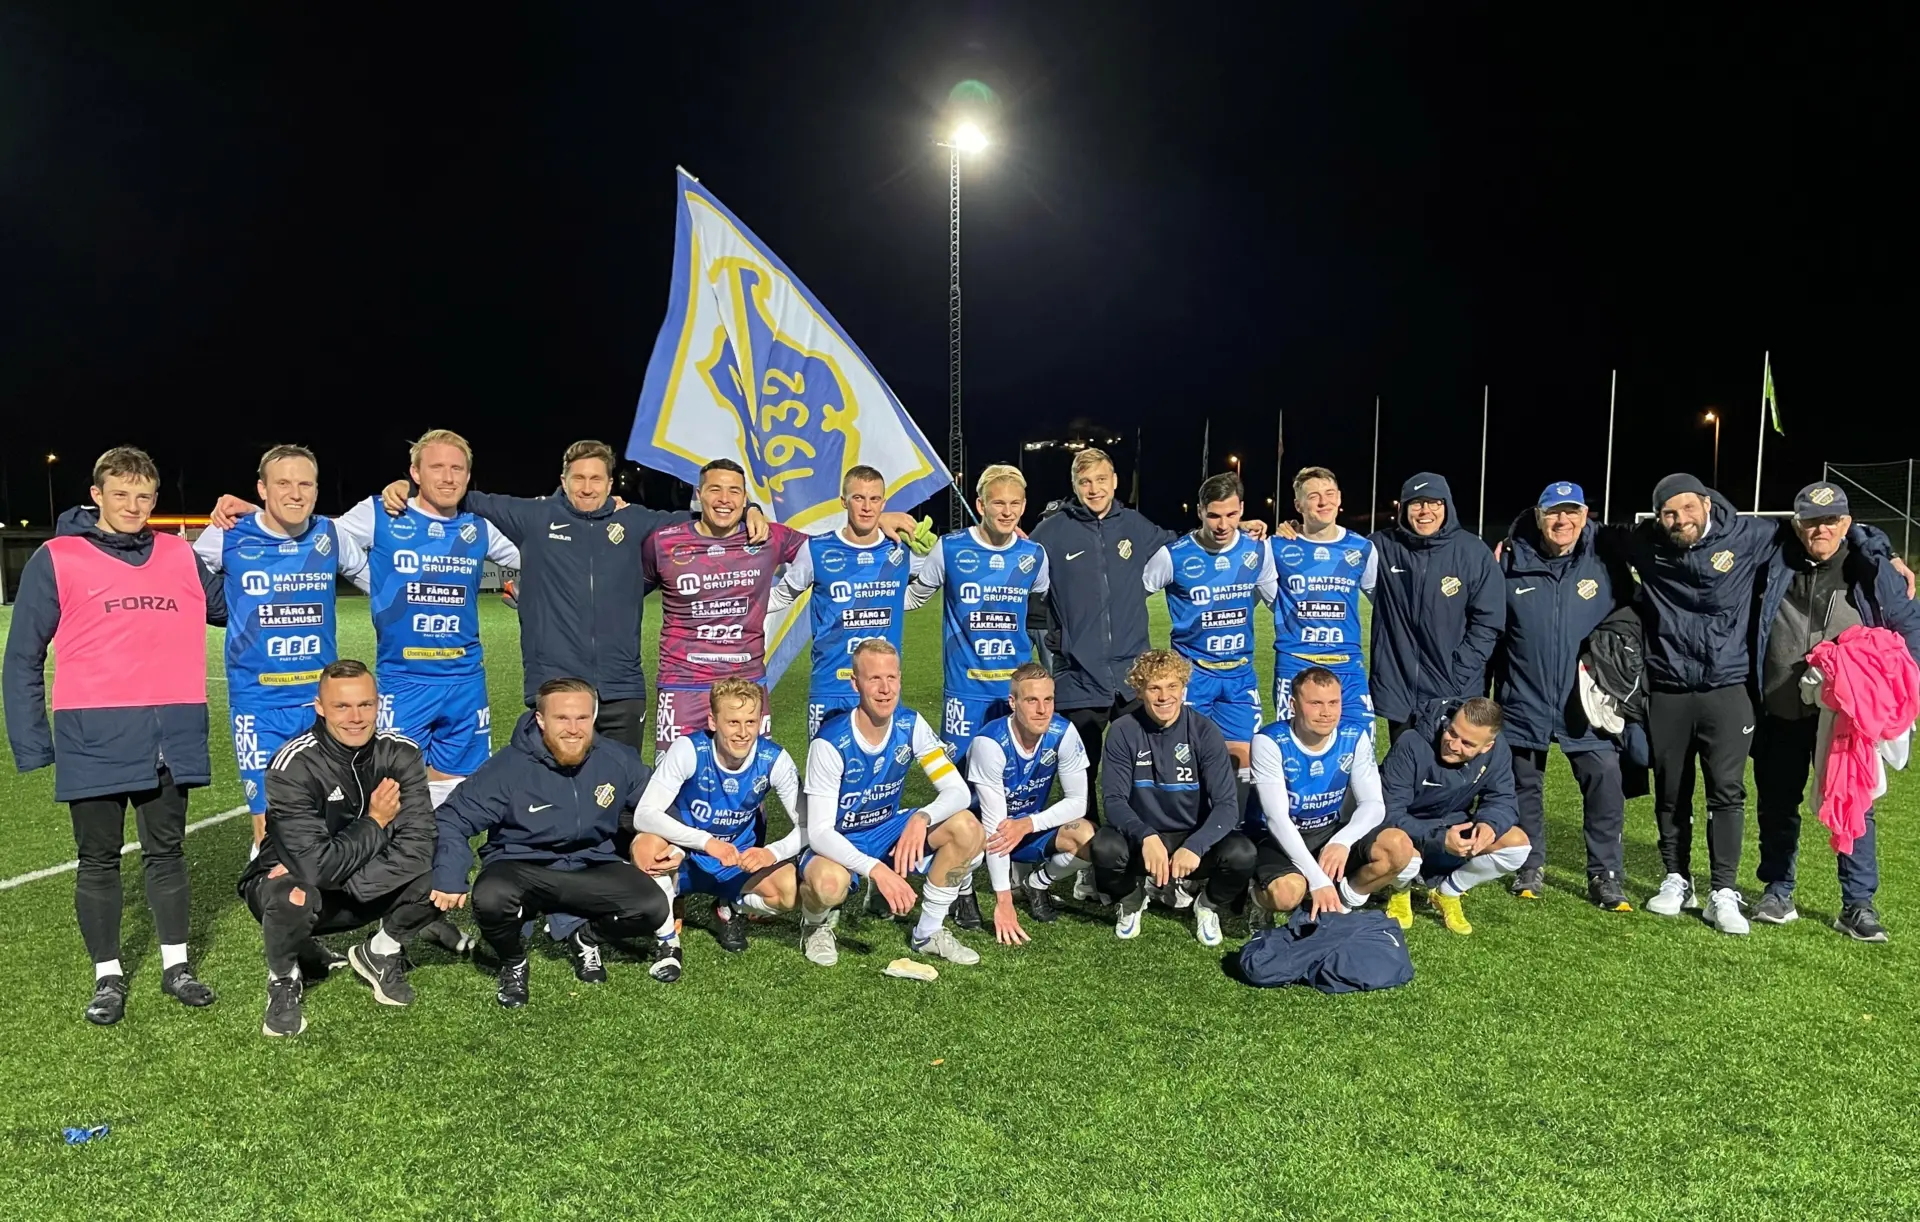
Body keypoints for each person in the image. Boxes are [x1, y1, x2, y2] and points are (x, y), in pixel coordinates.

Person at [5, 446, 228, 1024]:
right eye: (121, 494)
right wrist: (33, 742)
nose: (133, 505)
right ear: (96, 495)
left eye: (144, 496)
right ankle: (108, 976)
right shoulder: (58, 557)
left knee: (167, 853)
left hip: (172, 734)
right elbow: (23, 655)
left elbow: (231, 607)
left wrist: (255, 529)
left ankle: (177, 967)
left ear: (155, 500)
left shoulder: (179, 554)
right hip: (93, 735)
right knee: (98, 859)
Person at [381, 440, 767, 751]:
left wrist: (750, 508)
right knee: (554, 790)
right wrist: (409, 488)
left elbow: (709, 516)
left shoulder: (636, 522)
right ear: (563, 480)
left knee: (622, 790)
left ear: (610, 483)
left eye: (596, 479)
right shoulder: (535, 517)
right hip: (557, 686)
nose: (587, 487)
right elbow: (462, 496)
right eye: (578, 478)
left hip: (621, 688)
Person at [1030, 448, 1264, 814]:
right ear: (1074, 485)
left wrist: (1236, 527)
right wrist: (1057, 637)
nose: (1094, 489)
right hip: (1079, 674)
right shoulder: (1050, 532)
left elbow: (1185, 543)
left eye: (1101, 480)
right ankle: (1088, 840)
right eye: (1085, 482)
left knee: (1148, 763)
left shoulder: (1135, 525)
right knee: (1081, 768)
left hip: (1132, 676)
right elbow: (1023, 575)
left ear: (1115, 482)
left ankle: (1146, 833)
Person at [429, 678, 671, 1006]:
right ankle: (514, 962)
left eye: (582, 718)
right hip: (523, 866)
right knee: (491, 897)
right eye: (562, 718)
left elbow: (659, 805)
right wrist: (449, 873)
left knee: (652, 907)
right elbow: (452, 817)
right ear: (541, 720)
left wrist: (657, 839)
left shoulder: (616, 759)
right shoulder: (509, 767)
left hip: (591, 863)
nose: (573, 729)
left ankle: (585, 939)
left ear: (593, 717)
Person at [1749, 482, 1920, 941]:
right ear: (1796, 524)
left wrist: (1900, 695)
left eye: (1831, 520)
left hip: (1847, 716)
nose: (1820, 529)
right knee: (1777, 802)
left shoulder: (1870, 568)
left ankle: (1858, 905)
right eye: (1810, 520)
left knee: (1855, 805)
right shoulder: (1772, 559)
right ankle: (1777, 891)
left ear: (1846, 523)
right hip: (1781, 705)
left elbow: (1909, 627)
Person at [239, 660, 439, 1037]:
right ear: (320, 708)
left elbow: (420, 843)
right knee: (293, 895)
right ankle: (283, 979)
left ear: (379, 704)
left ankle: (381, 951)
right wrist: (376, 822)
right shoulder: (293, 765)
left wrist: (346, 879)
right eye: (342, 706)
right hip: (291, 886)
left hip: (346, 883)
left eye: (365, 705)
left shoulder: (402, 754)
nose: (356, 718)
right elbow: (315, 869)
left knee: (444, 872)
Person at [196, 444, 370, 849]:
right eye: (283, 484)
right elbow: (183, 578)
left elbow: (381, 587)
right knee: (269, 823)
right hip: (258, 705)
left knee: (332, 814)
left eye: (305, 484)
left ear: (316, 490)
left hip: (322, 703)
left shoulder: (330, 534)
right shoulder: (228, 533)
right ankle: (269, 884)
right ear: (262, 489)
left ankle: (330, 882)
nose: (295, 493)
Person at [1492, 481, 1635, 910]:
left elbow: (1633, 615)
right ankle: (1529, 863)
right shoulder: (1510, 561)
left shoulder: (1606, 559)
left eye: (1572, 512)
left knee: (1605, 779)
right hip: (1524, 695)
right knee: (1523, 784)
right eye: (1554, 512)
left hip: (1586, 701)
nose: (1563, 521)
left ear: (1585, 516)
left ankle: (1605, 873)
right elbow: (1491, 629)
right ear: (1539, 517)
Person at [796, 640, 982, 970]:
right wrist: (877, 870)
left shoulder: (910, 724)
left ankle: (928, 933)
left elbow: (957, 792)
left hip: (887, 829)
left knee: (968, 828)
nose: (885, 690)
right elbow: (821, 832)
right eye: (874, 679)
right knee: (828, 886)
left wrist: (922, 817)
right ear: (855, 684)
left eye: (892, 678)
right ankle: (815, 926)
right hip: (839, 840)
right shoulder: (830, 742)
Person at [627, 678, 805, 963]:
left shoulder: (774, 759)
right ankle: (668, 933)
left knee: (790, 891)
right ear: (713, 721)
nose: (743, 733)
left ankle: (729, 907)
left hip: (736, 861)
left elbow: (810, 827)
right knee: (645, 848)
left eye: (751, 722)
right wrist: (706, 842)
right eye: (733, 722)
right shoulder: (689, 749)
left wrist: (772, 852)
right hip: (684, 855)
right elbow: (644, 814)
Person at [1090, 649, 1255, 945]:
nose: (1164, 696)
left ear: (1183, 688)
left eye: (1172, 686)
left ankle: (1206, 906)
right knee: (1104, 848)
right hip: (1144, 839)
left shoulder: (1204, 731)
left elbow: (1227, 806)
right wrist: (1145, 836)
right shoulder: (1123, 730)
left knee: (1242, 854)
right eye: (1154, 688)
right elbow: (1113, 801)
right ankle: (1131, 898)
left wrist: (1195, 845)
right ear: (1139, 691)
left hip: (1191, 836)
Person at [1246, 668, 1414, 925]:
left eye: (1333, 703)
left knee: (1399, 847)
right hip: (1280, 837)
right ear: (1293, 705)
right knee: (1285, 895)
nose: (1326, 712)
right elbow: (1277, 819)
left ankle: (1345, 899)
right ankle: (1257, 898)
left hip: (1330, 831)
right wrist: (1317, 880)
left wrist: (1342, 842)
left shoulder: (1354, 736)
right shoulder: (1269, 741)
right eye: (1315, 703)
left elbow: (1373, 804)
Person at [907, 464, 1053, 760]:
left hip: (1016, 690)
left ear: (1024, 505)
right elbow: (913, 598)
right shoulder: (949, 548)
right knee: (961, 779)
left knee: (1013, 776)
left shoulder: (1034, 555)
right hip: (965, 691)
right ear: (980, 505)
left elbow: (1042, 600)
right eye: (998, 503)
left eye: (1014, 503)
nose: (1007, 512)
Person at [1141, 472, 1278, 773]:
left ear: (1242, 509)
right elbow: (1132, 599)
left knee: (1243, 766)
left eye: (1231, 515)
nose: (1223, 525)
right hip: (1191, 676)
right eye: (1214, 515)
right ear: (1200, 511)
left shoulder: (1257, 549)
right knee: (1186, 764)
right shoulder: (1173, 556)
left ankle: (1234, 807)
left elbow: (1279, 603)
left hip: (1240, 675)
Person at [768, 465, 917, 739]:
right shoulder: (816, 550)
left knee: (879, 762)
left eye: (874, 499)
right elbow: (781, 596)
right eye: (858, 498)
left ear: (883, 504)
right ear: (843, 501)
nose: (867, 507)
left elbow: (946, 567)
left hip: (882, 687)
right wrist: (735, 604)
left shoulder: (900, 548)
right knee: (824, 763)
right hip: (831, 684)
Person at [1368, 472, 1505, 744]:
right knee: (1404, 765)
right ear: (1403, 508)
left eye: (1434, 503)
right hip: (1399, 689)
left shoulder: (1473, 552)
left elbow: (1489, 622)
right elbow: (1333, 545)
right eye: (1416, 503)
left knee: (1450, 764)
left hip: (1452, 687)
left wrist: (1460, 669)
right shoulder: (1380, 547)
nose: (1425, 511)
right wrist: (1296, 531)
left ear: (1447, 506)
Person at [967, 662, 1097, 946]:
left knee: (1087, 836)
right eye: (1031, 700)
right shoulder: (989, 743)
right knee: (965, 841)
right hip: (983, 833)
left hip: (1026, 827)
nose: (1042, 709)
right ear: (1013, 703)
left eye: (1048, 699)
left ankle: (1036, 884)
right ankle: (964, 892)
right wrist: (1003, 902)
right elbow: (996, 828)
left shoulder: (1063, 732)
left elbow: (1078, 802)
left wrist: (1028, 824)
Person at [1380, 696, 1527, 935]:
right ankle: (1399, 888)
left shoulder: (1498, 751)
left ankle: (1448, 891)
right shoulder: (1412, 743)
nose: (1454, 745)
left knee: (1517, 844)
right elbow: (1388, 812)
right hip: (1408, 829)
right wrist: (1439, 839)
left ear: (1487, 746)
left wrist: (1489, 825)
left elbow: (1503, 798)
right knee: (1398, 843)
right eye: (1452, 732)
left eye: (1467, 743)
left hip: (1453, 825)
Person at [1270, 466, 1377, 724]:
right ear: (1298, 505)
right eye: (1313, 496)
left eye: (1329, 494)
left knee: (1360, 741)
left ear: (1339, 498)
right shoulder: (1276, 547)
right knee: (1297, 743)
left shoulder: (1362, 548)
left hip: (1347, 665)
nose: (1323, 502)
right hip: (1296, 663)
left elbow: (1384, 604)